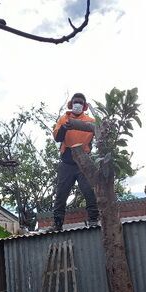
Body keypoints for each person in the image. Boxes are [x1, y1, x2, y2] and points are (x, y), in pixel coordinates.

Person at [51, 92, 99, 231]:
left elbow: (101, 132)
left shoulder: (90, 121)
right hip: (66, 162)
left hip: (83, 163)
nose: (77, 104)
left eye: (80, 102)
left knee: (90, 191)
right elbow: (58, 138)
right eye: (75, 102)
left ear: (84, 106)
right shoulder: (64, 119)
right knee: (61, 194)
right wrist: (65, 127)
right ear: (71, 104)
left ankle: (93, 220)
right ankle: (57, 223)